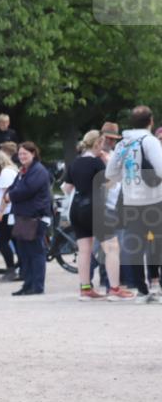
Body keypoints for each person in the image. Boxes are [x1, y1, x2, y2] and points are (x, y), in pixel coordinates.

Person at [64, 130, 135, 301]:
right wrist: (108, 164)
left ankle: (85, 289)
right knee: (112, 247)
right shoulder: (97, 162)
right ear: (97, 144)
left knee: (84, 250)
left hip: (76, 208)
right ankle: (114, 289)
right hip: (95, 208)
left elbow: (67, 188)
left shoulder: (75, 162)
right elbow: (110, 184)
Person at [105, 105, 162, 303]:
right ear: (150, 121)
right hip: (154, 200)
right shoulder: (150, 141)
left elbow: (110, 173)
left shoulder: (123, 144)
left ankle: (142, 290)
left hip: (130, 201)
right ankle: (157, 286)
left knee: (135, 246)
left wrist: (130, 179)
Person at [6, 141, 52, 296]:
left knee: (36, 252)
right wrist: (12, 193)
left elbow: (28, 189)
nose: (22, 157)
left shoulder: (38, 171)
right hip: (23, 217)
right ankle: (27, 284)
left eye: (25, 153)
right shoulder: (23, 171)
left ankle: (37, 286)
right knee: (24, 252)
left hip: (35, 217)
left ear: (33, 153)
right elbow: (14, 187)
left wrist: (10, 195)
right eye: (20, 154)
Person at [0, 149, 19, 282]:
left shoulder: (6, 173)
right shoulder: (10, 171)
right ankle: (20, 268)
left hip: (8, 212)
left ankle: (11, 270)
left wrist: (0, 211)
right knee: (15, 241)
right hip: (10, 212)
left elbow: (7, 193)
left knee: (2, 241)